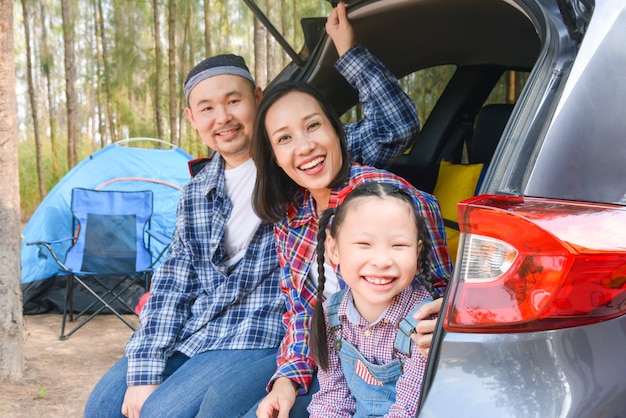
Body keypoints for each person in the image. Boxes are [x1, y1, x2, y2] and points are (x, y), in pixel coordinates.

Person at [84, 3, 421, 417]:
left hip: (257, 334)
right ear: (192, 118)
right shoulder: (197, 192)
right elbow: (173, 282)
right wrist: (145, 366)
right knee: (101, 406)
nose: (222, 117)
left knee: (163, 412)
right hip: (200, 330)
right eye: (206, 108)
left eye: (233, 101)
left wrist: (347, 51)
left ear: (257, 98)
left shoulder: (297, 162)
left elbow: (395, 126)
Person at [250, 80, 452, 417]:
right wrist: (288, 377)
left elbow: (442, 290)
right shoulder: (290, 216)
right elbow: (302, 312)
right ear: (274, 156)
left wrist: (443, 322)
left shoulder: (390, 196)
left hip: (406, 370)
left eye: (313, 125)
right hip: (336, 374)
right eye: (284, 138)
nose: (305, 147)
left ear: (336, 129)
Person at [307, 181, 439, 417]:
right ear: (334, 248)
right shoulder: (331, 315)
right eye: (364, 244)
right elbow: (333, 396)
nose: (382, 261)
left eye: (399, 245)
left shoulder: (424, 323)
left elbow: (409, 410)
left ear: (417, 252)